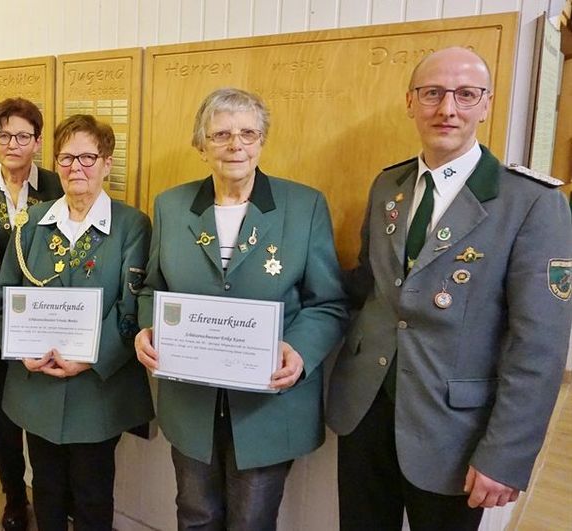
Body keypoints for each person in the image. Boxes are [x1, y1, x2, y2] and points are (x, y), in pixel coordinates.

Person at [326, 46, 572, 530]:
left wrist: (506, 454)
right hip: (365, 411)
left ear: (486, 103)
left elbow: (538, 345)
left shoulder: (531, 203)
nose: (447, 108)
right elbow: (369, 287)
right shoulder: (387, 187)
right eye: (433, 93)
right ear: (410, 102)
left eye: (466, 94)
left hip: (453, 431)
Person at [134, 88, 348, 530]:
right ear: (201, 145)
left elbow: (327, 302)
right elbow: (152, 291)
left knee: (252, 521)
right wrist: (146, 329)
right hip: (192, 400)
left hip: (268, 403)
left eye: (248, 133)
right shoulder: (172, 206)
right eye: (222, 134)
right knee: (195, 516)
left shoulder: (304, 206)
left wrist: (301, 350)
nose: (236, 145)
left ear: (262, 141)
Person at [0, 114, 153, 531]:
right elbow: (4, 297)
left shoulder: (132, 225)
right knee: (44, 485)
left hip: (98, 388)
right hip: (37, 383)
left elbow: (131, 308)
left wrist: (90, 359)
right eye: (66, 158)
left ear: (107, 162)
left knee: (92, 490)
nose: (76, 167)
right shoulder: (30, 222)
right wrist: (19, 348)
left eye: (88, 156)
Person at [0, 97, 64, 530]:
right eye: (4, 135)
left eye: (23, 135)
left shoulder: (57, 186)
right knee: (4, 420)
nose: (13, 144)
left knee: (42, 417)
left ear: (38, 142)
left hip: (44, 322)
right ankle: (15, 500)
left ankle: (55, 498)